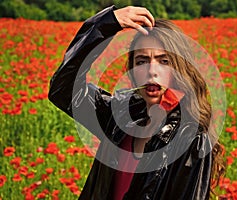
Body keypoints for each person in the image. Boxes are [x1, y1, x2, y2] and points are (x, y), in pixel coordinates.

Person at [48, 5, 225, 200]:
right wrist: (106, 24)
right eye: (141, 61)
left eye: (163, 61)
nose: (152, 71)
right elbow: (63, 90)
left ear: (180, 68)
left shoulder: (191, 139)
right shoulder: (119, 114)